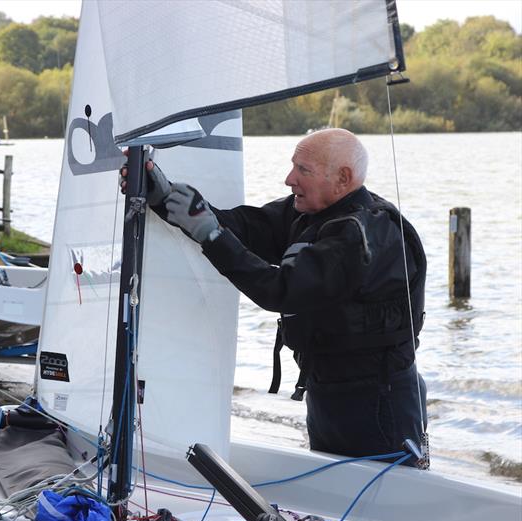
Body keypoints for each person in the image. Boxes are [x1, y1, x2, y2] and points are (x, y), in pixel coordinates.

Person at [121, 128, 427, 461]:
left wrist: (210, 236)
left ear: (343, 178)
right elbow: (242, 227)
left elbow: (280, 290)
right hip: (328, 390)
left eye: (303, 171)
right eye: (293, 166)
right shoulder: (307, 212)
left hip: (379, 401)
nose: (289, 179)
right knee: (332, 498)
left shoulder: (364, 235)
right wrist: (166, 198)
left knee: (378, 502)